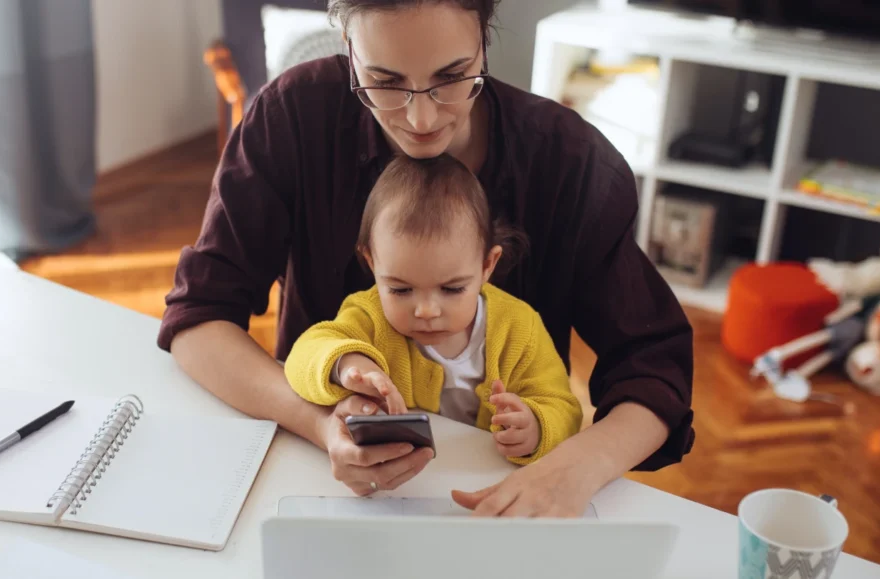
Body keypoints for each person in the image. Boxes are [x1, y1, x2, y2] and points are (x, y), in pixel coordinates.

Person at [158, 0, 695, 517]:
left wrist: (576, 465)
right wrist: (320, 423)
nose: (419, 118)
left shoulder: (569, 163)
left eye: (452, 75)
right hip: (326, 479)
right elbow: (198, 322)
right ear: (348, 46)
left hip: (508, 482)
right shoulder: (293, 117)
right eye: (385, 82)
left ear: (484, 40)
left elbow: (654, 363)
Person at [285, 153, 582, 465]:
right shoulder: (369, 315)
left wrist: (536, 427)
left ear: (486, 265)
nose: (426, 310)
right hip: (400, 481)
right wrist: (346, 363)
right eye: (400, 289)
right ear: (372, 263)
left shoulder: (520, 328)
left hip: (488, 485)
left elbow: (564, 409)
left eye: (452, 289)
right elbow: (302, 356)